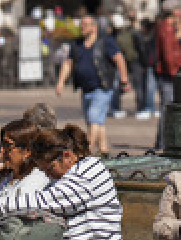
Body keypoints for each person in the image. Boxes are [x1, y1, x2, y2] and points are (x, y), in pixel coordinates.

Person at [54, 13, 128, 157]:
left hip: (102, 87)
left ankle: (86, 152)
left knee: (93, 117)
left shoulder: (105, 42)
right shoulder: (77, 44)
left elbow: (119, 58)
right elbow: (68, 63)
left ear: (94, 27)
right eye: (81, 25)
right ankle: (104, 150)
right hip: (85, 88)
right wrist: (60, 82)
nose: (82, 28)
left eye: (86, 25)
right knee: (94, 121)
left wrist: (124, 79)